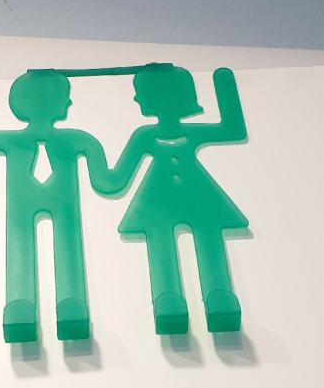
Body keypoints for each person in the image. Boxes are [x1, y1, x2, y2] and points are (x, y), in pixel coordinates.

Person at [0, 70, 113, 343]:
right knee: (31, 245)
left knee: (62, 245)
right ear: (51, 103)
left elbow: (107, 181)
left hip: (52, 209)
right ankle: (23, 308)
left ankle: (67, 305)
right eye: (66, 97)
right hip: (27, 209)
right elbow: (108, 180)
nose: (69, 102)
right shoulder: (74, 139)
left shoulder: (75, 139)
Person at [104, 64, 249, 335]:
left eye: (141, 93)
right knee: (164, 241)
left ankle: (219, 297)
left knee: (206, 236)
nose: (136, 98)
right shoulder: (145, 135)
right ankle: (169, 301)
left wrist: (224, 83)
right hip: (160, 202)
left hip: (187, 197)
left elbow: (232, 128)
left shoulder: (149, 134)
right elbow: (115, 180)